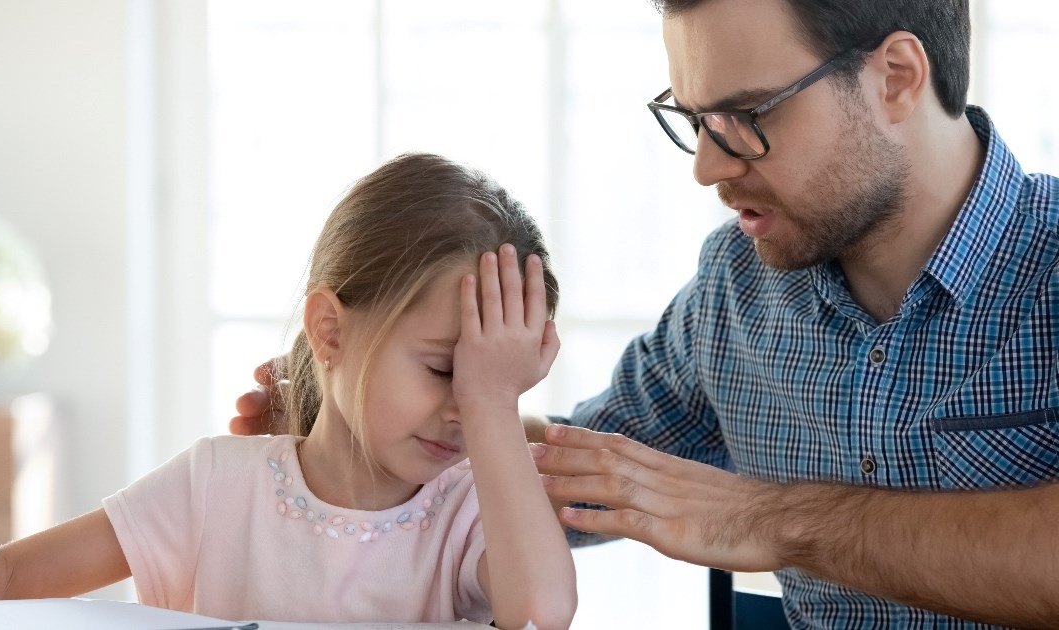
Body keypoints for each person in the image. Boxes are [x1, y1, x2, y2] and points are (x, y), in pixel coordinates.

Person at [231, 0, 1059, 627]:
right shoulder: (734, 290)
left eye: (750, 117)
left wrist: (769, 519)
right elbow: (592, 477)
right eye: (695, 120)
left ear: (897, 79)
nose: (705, 165)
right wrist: (374, 425)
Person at [0, 153, 578, 629]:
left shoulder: (471, 513)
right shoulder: (216, 487)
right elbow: (14, 574)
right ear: (330, 330)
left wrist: (492, 409)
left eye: (498, 384)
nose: (466, 407)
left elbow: (543, 614)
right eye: (448, 370)